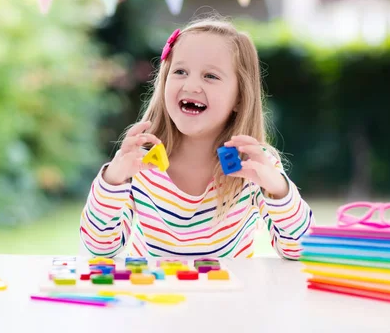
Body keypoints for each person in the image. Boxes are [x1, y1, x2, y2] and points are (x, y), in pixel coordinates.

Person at [79, 16, 314, 260]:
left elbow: (301, 250)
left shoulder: (252, 165)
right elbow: (100, 247)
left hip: (229, 298)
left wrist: (277, 188)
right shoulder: (141, 161)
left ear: (240, 98)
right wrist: (112, 180)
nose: (191, 85)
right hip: (152, 296)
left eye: (210, 76)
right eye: (180, 71)